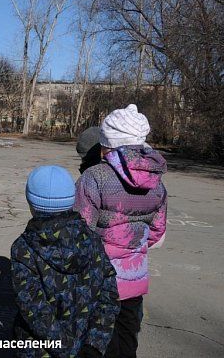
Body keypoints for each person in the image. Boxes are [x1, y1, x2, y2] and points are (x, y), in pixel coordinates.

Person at [74, 104, 167, 358]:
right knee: (126, 341)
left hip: (98, 282)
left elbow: (80, 232)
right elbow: (157, 232)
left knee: (93, 344)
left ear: (107, 144)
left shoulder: (94, 177)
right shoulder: (157, 182)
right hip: (134, 280)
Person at [12, 165, 120, 358]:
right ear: (71, 201)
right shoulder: (93, 239)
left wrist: (66, 351)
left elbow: (34, 308)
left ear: (31, 203)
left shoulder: (24, 248)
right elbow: (109, 295)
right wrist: (94, 345)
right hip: (85, 345)